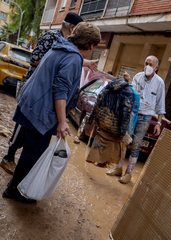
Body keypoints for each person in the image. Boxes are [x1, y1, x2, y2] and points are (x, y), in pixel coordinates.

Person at [2, 22, 101, 203]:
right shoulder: (73, 59)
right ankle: (13, 190)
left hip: (29, 103)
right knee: (33, 153)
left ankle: (15, 180)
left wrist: (85, 63)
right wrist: (63, 121)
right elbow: (60, 90)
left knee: (26, 145)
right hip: (40, 112)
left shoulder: (61, 46)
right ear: (91, 45)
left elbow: (67, 62)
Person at [109, 55, 166, 184]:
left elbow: (161, 105)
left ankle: (128, 173)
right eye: (146, 63)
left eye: (151, 64)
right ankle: (118, 168)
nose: (148, 66)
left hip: (145, 117)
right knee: (124, 140)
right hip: (132, 114)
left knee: (135, 145)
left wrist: (158, 123)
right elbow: (131, 95)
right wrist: (127, 82)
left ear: (156, 67)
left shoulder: (159, 83)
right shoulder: (138, 77)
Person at [85, 78, 135, 168]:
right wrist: (122, 131)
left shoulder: (106, 87)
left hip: (102, 122)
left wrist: (92, 119)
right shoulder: (129, 93)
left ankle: (95, 160)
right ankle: (109, 164)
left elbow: (97, 102)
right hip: (115, 127)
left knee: (101, 141)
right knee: (116, 146)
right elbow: (126, 113)